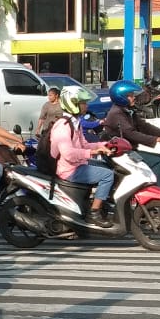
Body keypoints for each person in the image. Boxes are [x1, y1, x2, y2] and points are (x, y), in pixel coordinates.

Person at [49, 86, 115, 228]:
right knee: (107, 175)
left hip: (77, 164)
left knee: (108, 167)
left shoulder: (75, 122)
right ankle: (94, 212)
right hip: (69, 170)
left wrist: (104, 145)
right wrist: (93, 152)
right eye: (83, 102)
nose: (87, 105)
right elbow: (68, 154)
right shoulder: (63, 125)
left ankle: (101, 204)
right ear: (72, 103)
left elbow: (83, 144)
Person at [101, 80, 160, 185]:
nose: (134, 97)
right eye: (130, 96)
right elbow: (130, 133)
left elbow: (144, 126)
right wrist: (157, 139)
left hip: (129, 151)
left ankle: (153, 186)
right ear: (121, 97)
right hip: (120, 154)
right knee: (157, 162)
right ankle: (157, 195)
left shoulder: (128, 111)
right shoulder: (116, 113)